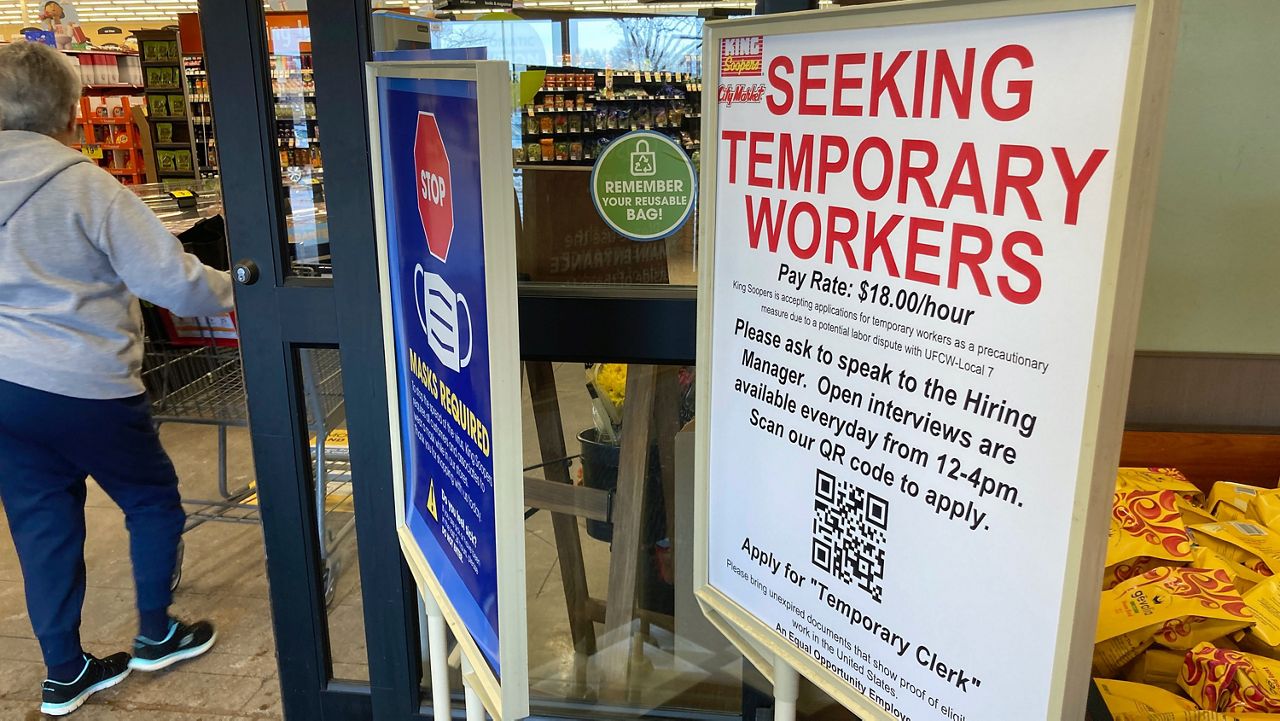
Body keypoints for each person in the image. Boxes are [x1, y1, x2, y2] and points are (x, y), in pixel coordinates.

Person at [0, 41, 234, 716]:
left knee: (41, 523)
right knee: (151, 498)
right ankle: (157, 631)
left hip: (7, 390)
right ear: (69, 112)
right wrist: (239, 288)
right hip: (87, 384)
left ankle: (65, 670)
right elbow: (173, 281)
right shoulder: (87, 185)